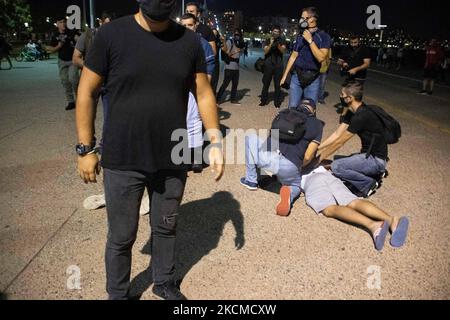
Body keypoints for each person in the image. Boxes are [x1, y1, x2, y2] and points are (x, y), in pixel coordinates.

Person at [76, 0, 224, 300]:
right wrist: (85, 148)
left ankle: (164, 282)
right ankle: (118, 293)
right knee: (121, 235)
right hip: (122, 157)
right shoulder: (111, 35)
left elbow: (204, 92)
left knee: (166, 227)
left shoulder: (189, 41)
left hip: (173, 157)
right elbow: (86, 91)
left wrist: (216, 139)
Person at [240, 99, 323, 216]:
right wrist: (298, 167)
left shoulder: (284, 113)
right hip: (289, 166)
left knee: (251, 137)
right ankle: (289, 192)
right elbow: (308, 156)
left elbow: (272, 139)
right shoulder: (317, 124)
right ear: (313, 111)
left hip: (267, 158)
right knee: (295, 185)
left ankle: (251, 180)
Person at [301, 165, 410, 251]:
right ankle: (392, 221)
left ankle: (374, 225)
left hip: (310, 181)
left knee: (329, 208)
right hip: (327, 175)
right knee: (353, 202)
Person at [318, 81, 389, 198]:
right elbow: (337, 134)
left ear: (349, 98)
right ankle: (374, 174)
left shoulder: (362, 115)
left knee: (337, 166)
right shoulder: (353, 112)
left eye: (342, 94)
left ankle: (368, 184)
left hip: (376, 160)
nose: (340, 97)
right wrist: (318, 148)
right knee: (337, 159)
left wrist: (318, 158)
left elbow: (340, 142)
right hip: (367, 154)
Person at [180, 13, 216, 173]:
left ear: (195, 26)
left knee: (194, 122)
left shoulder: (203, 45)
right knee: (177, 122)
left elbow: (209, 69)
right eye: (183, 25)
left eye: (190, 25)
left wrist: (202, 92)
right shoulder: (172, 43)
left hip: (194, 90)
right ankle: (180, 157)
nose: (187, 28)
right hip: (176, 90)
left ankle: (195, 159)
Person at [280, 7, 331, 106]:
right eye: (301, 17)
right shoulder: (300, 35)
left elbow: (321, 58)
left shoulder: (324, 36)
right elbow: (293, 56)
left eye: (304, 17)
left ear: (312, 19)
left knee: (309, 110)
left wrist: (310, 41)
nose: (301, 20)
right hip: (296, 77)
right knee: (293, 107)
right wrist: (285, 75)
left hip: (313, 78)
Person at [46, 17, 80, 110]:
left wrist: (77, 39)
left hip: (72, 60)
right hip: (62, 61)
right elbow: (51, 49)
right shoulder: (55, 35)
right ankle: (71, 102)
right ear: (57, 24)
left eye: (64, 22)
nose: (63, 24)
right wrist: (59, 46)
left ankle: (80, 100)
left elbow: (79, 40)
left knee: (74, 79)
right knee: (65, 81)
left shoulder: (71, 32)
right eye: (61, 22)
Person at [259, 25, 287, 108]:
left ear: (279, 33)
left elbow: (283, 51)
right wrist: (271, 43)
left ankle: (277, 102)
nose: (276, 33)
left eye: (277, 32)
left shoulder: (282, 40)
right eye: (274, 31)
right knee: (266, 83)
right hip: (268, 65)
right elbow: (265, 51)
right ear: (272, 32)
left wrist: (278, 45)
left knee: (277, 85)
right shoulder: (268, 40)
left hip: (278, 65)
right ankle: (263, 100)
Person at [217, 29, 243, 105]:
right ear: (233, 35)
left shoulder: (238, 43)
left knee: (235, 84)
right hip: (229, 67)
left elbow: (239, 55)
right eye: (236, 34)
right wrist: (236, 51)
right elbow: (226, 52)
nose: (237, 36)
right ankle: (217, 99)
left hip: (236, 68)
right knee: (225, 84)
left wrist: (240, 51)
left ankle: (233, 99)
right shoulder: (230, 42)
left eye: (238, 35)